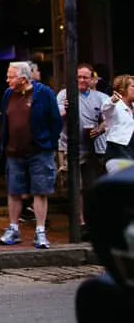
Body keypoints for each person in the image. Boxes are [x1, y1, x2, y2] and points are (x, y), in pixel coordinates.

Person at [0, 61, 62, 249]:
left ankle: (40, 231)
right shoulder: (8, 94)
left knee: (40, 190)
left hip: (39, 151)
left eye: (11, 76)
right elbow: (5, 119)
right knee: (14, 190)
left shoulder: (44, 93)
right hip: (14, 151)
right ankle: (13, 229)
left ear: (23, 79)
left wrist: (48, 143)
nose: (7, 79)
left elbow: (55, 121)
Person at [57, 63, 110, 229]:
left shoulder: (100, 97)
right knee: (74, 186)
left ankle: (91, 219)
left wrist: (100, 128)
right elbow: (56, 115)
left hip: (93, 148)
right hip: (69, 146)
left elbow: (111, 118)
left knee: (91, 185)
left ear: (92, 79)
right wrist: (65, 109)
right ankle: (79, 221)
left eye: (85, 77)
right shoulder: (64, 94)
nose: (81, 80)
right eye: (78, 77)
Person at [101, 74, 134, 161]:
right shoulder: (115, 106)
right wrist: (113, 100)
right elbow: (105, 108)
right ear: (123, 89)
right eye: (133, 86)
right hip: (118, 149)